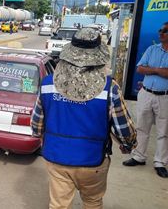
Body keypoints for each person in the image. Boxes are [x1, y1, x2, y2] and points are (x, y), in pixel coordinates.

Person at [31, 28, 137, 209]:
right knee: (92, 202)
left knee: (58, 205)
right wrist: (128, 145)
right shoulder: (109, 88)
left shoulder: (48, 84)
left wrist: (41, 137)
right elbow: (124, 129)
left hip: (56, 157)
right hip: (92, 160)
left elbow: (36, 124)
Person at [123, 22, 168, 178]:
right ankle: (138, 156)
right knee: (142, 127)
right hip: (146, 93)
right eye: (160, 30)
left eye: (165, 31)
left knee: (164, 132)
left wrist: (151, 70)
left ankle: (160, 163)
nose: (161, 33)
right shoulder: (152, 49)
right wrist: (158, 70)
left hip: (165, 96)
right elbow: (140, 68)